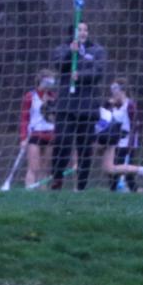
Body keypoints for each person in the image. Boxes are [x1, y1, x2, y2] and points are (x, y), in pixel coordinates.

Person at [50, 20, 106, 190]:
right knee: (63, 142)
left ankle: (81, 186)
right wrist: (70, 53)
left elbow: (98, 72)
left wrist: (80, 75)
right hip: (66, 106)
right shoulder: (62, 48)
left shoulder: (97, 50)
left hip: (87, 106)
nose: (83, 32)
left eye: (85, 29)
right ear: (72, 32)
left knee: (84, 148)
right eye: (79, 29)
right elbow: (59, 65)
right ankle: (57, 178)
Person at [96, 79, 143, 192]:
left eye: (115, 89)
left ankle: (139, 183)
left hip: (126, 143)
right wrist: (107, 104)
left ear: (122, 91)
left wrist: (130, 145)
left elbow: (136, 125)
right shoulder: (112, 105)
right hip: (114, 142)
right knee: (113, 171)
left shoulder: (130, 105)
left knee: (122, 172)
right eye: (112, 90)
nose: (113, 92)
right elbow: (103, 118)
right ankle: (121, 191)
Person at [20, 72, 58, 190]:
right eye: (47, 80)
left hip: (50, 134)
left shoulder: (54, 96)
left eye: (51, 81)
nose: (50, 83)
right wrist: (23, 138)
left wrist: (50, 102)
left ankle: (43, 193)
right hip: (35, 134)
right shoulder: (30, 96)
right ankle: (29, 191)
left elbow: (54, 117)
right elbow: (24, 118)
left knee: (45, 167)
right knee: (33, 167)